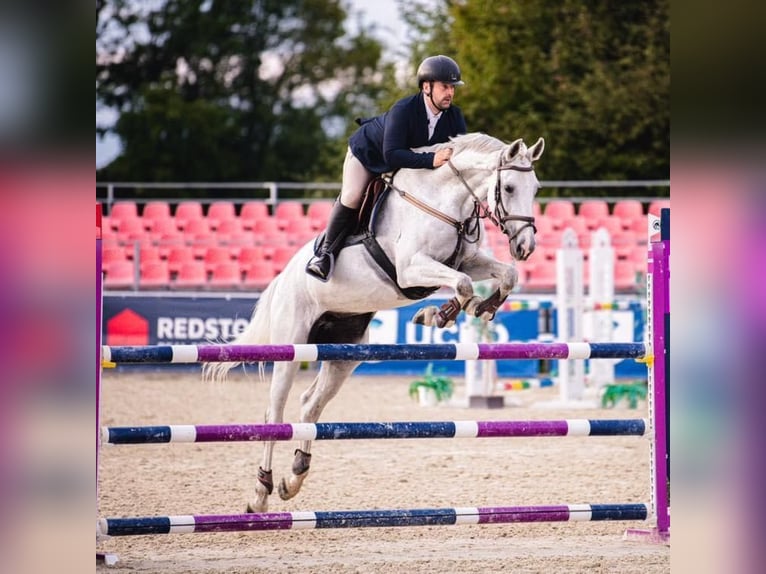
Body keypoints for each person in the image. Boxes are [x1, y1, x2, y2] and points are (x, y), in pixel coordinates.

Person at [306, 55, 468, 281]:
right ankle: (325, 255)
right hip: (369, 153)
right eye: (445, 86)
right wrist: (431, 160)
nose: (450, 92)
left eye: (452, 87)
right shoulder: (404, 109)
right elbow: (391, 154)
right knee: (353, 196)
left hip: (406, 162)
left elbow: (459, 155)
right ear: (426, 87)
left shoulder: (454, 117)